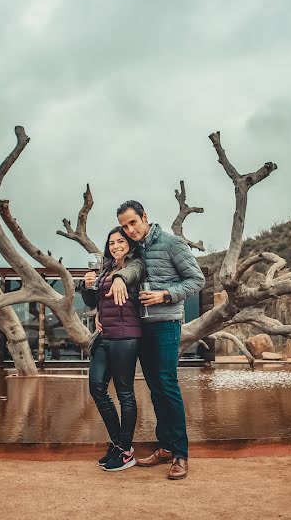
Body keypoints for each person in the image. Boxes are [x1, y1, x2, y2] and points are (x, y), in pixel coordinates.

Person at [104, 199, 205, 480]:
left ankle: (180, 454)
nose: (129, 230)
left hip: (166, 324)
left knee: (167, 385)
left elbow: (197, 280)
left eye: (133, 222)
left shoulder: (172, 243)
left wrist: (165, 295)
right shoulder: (135, 248)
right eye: (124, 226)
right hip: (141, 328)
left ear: (145, 217)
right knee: (155, 388)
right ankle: (165, 446)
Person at [80, 226, 146, 472]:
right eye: (111, 243)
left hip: (126, 337)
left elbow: (132, 272)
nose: (116, 246)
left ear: (129, 243)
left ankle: (126, 451)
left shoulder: (136, 264)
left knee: (124, 392)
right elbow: (92, 302)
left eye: (120, 241)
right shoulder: (106, 268)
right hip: (104, 336)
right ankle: (119, 444)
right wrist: (87, 286)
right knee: (96, 387)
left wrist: (119, 278)